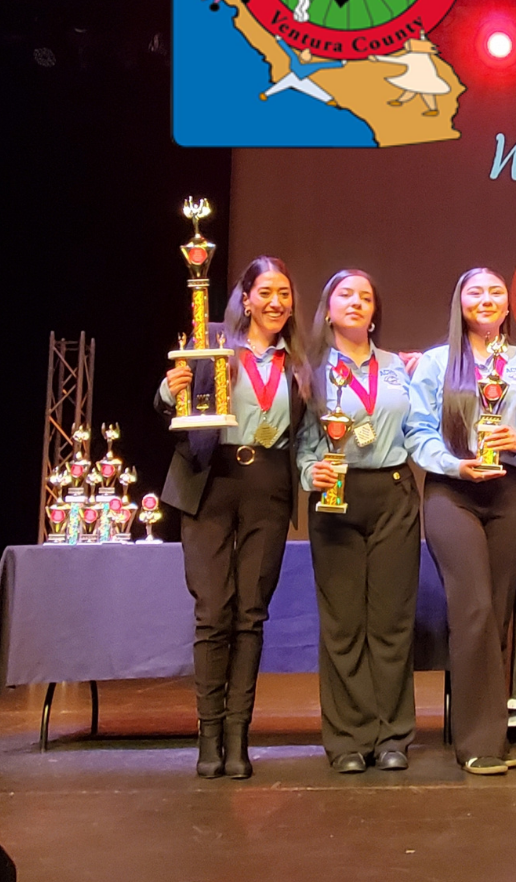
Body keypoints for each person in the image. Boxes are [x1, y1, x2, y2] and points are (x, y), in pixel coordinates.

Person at [406, 268, 516, 775]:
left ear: (507, 305)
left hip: (509, 492)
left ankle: (493, 736)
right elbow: (417, 430)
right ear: (460, 302)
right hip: (452, 490)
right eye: (474, 291)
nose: (486, 299)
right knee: (472, 608)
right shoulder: (436, 363)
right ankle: (477, 743)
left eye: (496, 291)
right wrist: (455, 464)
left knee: (497, 613)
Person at [156, 256, 310, 780]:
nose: (275, 302)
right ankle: (208, 737)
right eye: (265, 292)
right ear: (246, 298)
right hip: (210, 480)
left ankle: (238, 737)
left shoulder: (299, 360)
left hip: (268, 485)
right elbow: (167, 404)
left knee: (250, 613)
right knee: (212, 611)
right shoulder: (213, 341)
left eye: (284, 293)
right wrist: (170, 388)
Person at [297, 270, 421, 775]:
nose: (356, 302)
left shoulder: (401, 368)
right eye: (345, 295)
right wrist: (310, 471)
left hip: (393, 493)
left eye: (366, 297)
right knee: (343, 625)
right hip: (334, 496)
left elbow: (420, 426)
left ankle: (393, 736)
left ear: (374, 313)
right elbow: (302, 442)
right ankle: (348, 738)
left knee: (391, 623)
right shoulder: (307, 371)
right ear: (328, 310)